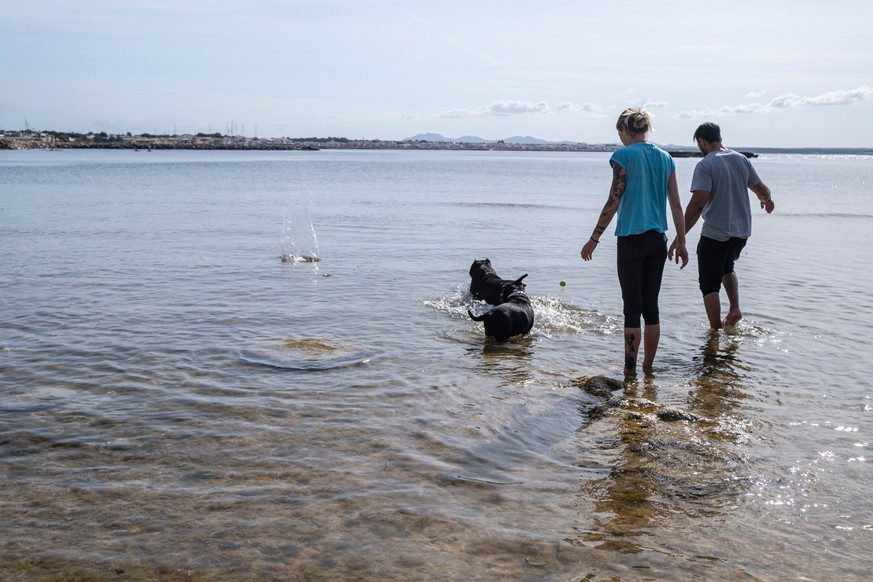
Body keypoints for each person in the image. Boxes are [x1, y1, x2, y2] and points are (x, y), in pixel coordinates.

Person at [581, 107, 688, 378]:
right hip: (658, 240)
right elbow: (676, 204)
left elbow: (614, 199)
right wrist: (682, 241)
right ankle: (647, 368)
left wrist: (594, 238)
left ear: (624, 130)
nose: (620, 139)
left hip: (630, 240)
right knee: (651, 307)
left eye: (619, 133)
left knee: (631, 308)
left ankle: (629, 372)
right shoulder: (666, 158)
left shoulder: (623, 156)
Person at [668, 122, 774, 331]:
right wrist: (767, 199)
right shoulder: (740, 159)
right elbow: (761, 189)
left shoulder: (706, 164)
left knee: (709, 284)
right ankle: (734, 308)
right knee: (727, 267)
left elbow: (698, 203)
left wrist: (680, 238)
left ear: (702, 142)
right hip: (741, 233)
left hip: (716, 234)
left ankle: (715, 332)